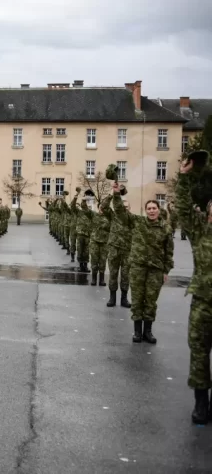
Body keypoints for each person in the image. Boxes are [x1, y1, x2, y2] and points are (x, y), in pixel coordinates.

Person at [111, 182, 174, 343]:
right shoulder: (138, 222)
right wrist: (117, 194)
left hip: (156, 270)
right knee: (138, 299)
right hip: (138, 267)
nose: (152, 211)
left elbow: (169, 252)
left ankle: (148, 332)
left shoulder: (166, 229)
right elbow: (119, 212)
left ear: (158, 210)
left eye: (154, 208)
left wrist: (166, 271)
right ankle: (137, 332)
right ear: (145, 211)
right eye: (149, 208)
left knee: (151, 301)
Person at [176, 158, 212, 424]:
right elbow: (184, 209)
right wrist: (185, 177)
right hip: (203, 301)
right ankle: (201, 403)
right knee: (199, 352)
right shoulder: (201, 231)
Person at [102, 192, 134, 308]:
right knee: (113, 274)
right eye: (122, 206)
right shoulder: (113, 216)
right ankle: (112, 297)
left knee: (126, 276)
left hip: (127, 251)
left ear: (129, 208)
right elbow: (104, 207)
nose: (124, 209)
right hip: (114, 250)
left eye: (126, 207)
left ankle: (124, 298)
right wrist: (111, 195)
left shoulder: (132, 219)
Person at [89, 200, 111, 286]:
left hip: (104, 242)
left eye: (103, 208)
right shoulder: (94, 215)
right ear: (98, 208)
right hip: (94, 241)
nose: (102, 210)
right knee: (94, 260)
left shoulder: (109, 217)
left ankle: (101, 279)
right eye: (100, 208)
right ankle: (94, 278)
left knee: (102, 261)